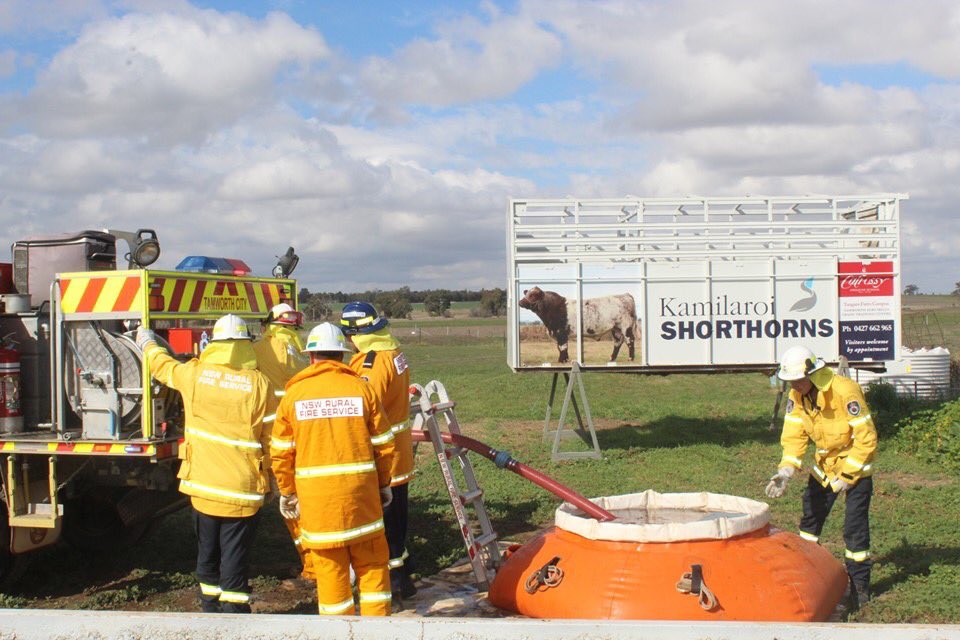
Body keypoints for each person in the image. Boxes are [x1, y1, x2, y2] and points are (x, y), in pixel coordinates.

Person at [136, 314, 277, 613]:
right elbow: (272, 439)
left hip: (202, 487)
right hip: (242, 491)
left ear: (214, 343)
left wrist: (146, 340)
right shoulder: (260, 384)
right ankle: (235, 614)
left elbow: (162, 367)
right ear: (245, 345)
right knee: (234, 557)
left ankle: (209, 608)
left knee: (207, 553)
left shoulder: (195, 375)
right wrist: (276, 482)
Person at [271, 322, 396, 616]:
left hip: (318, 506)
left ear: (311, 357)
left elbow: (280, 454)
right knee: (373, 567)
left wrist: (288, 493)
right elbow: (384, 446)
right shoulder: (361, 389)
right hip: (362, 501)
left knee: (330, 572)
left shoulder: (293, 396)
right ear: (342, 355)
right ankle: (378, 633)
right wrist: (383, 485)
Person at [765, 345, 877, 609]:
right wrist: (786, 470)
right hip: (825, 466)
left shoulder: (845, 391)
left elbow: (867, 438)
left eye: (798, 380)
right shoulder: (798, 395)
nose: (794, 385)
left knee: (855, 530)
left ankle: (859, 588)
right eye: (790, 381)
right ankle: (806, 576)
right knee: (810, 522)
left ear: (814, 374)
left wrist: (847, 476)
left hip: (856, 466)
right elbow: (794, 435)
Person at [339, 301, 416, 602]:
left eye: (348, 335)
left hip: (383, 458)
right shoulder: (393, 352)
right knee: (398, 520)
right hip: (398, 455)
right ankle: (405, 575)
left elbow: (361, 406)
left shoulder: (372, 363)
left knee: (386, 527)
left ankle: (395, 584)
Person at [252, 302, 313, 580]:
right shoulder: (300, 349)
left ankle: (312, 564)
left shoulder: (261, 349)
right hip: (305, 431)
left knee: (290, 501)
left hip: (277, 435)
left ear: (268, 324)